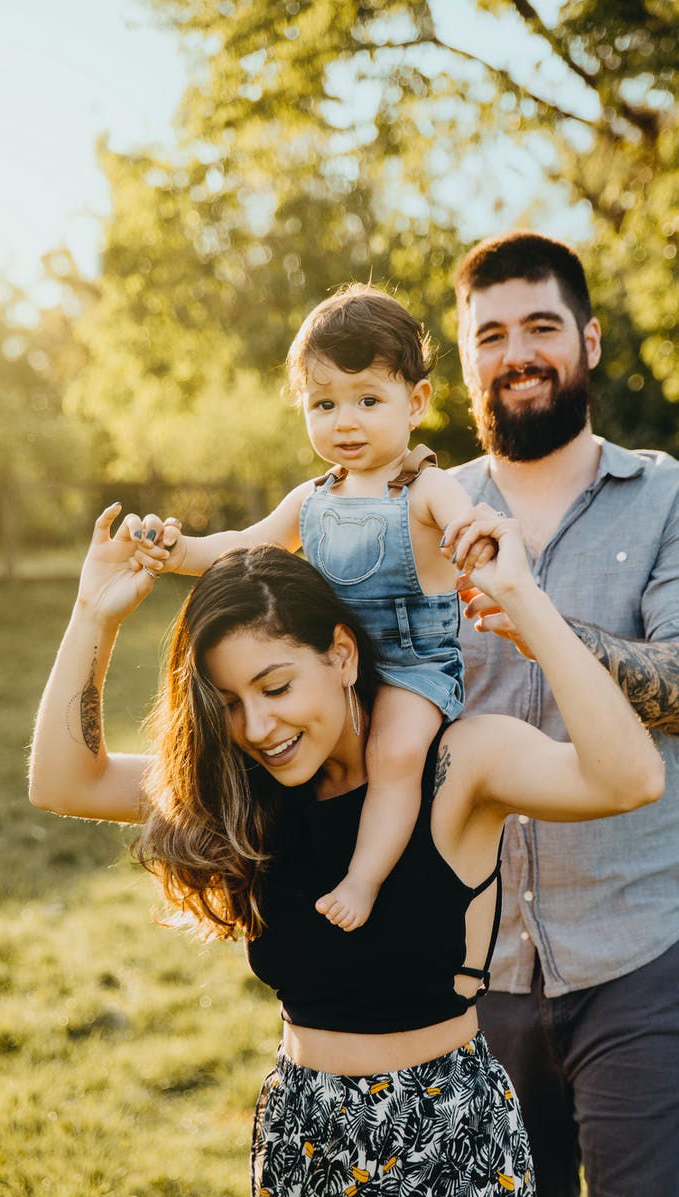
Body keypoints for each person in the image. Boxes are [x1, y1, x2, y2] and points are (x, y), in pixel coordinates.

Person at [29, 502, 664, 1197]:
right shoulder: (247, 789)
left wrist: (527, 607)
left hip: (445, 1143)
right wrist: (94, 609)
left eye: (275, 685)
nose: (258, 725)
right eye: (229, 703)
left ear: (339, 654)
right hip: (302, 1135)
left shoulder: (455, 765)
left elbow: (628, 777)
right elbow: (62, 779)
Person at [450, 230, 679, 1197]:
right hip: (469, 971)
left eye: (540, 326)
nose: (516, 351)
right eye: (491, 334)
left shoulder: (677, 498)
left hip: (645, 957)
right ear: (465, 356)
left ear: (589, 339)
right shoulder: (423, 514)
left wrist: (545, 626)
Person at [134, 284, 493, 933]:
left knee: (395, 755)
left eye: (367, 400)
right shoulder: (312, 497)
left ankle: (364, 877)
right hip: (333, 670)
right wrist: (178, 547)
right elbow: (243, 544)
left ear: (415, 403)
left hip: (412, 670)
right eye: (323, 403)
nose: (344, 421)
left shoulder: (426, 488)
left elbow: (470, 530)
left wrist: (482, 543)